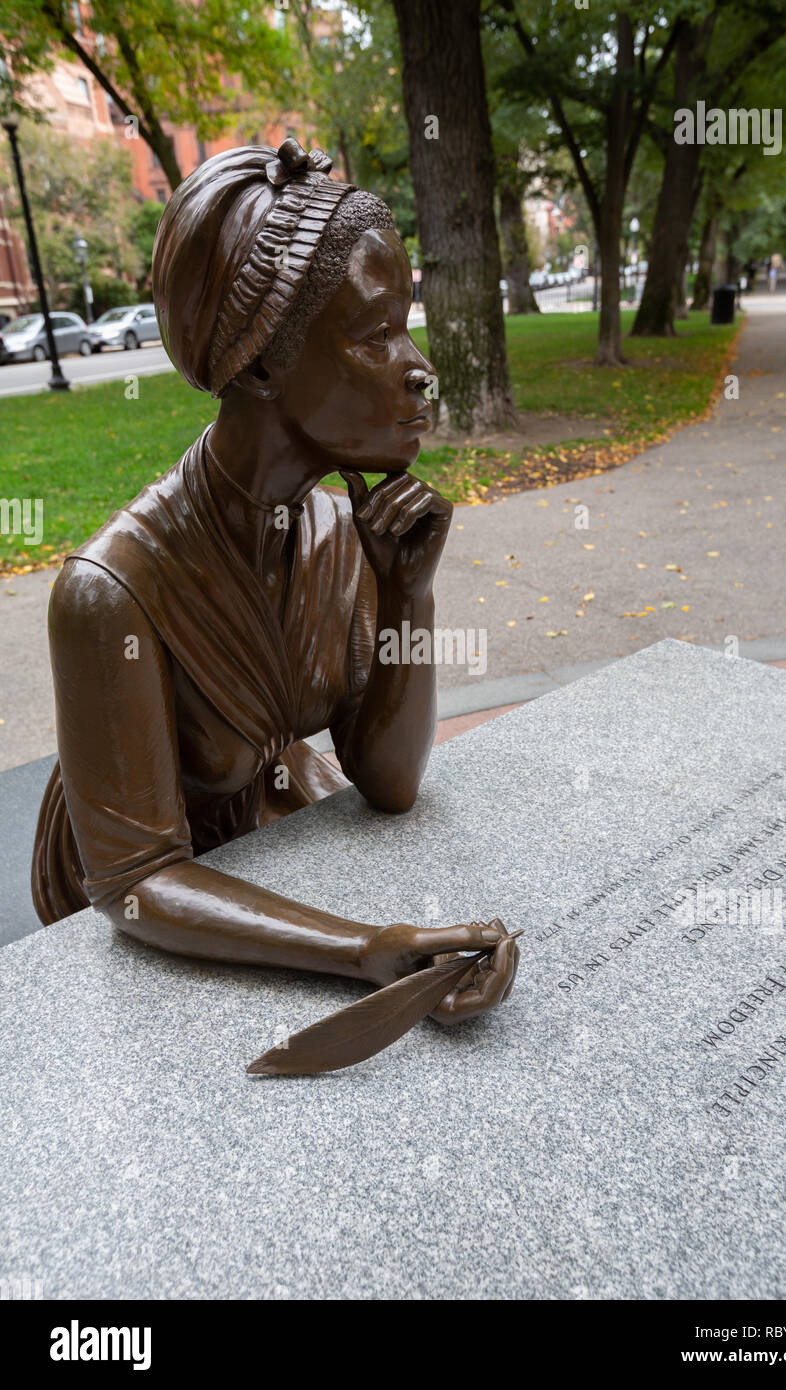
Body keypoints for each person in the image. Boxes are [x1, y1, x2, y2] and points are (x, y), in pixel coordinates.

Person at [31, 135, 519, 1027]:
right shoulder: (110, 595)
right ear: (260, 365)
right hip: (164, 912)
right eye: (376, 334)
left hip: (282, 833)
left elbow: (391, 781)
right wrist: (360, 951)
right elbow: (136, 884)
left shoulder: (335, 532)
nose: (419, 368)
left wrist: (410, 593)